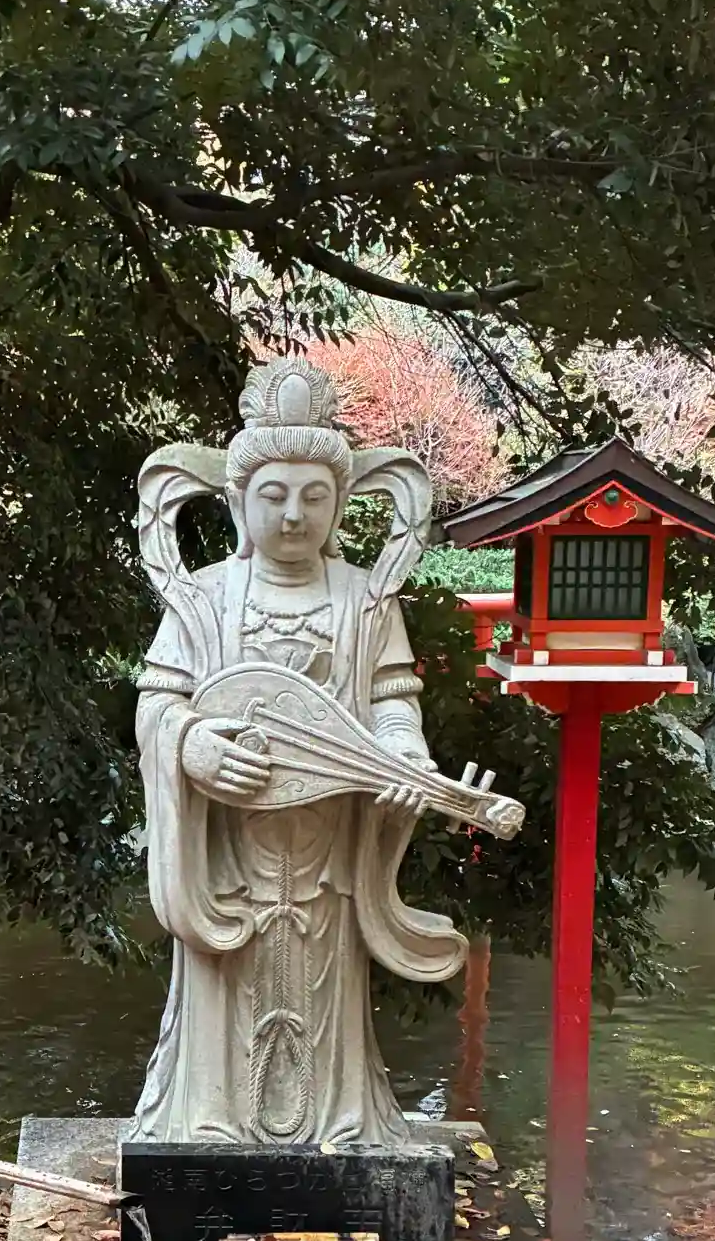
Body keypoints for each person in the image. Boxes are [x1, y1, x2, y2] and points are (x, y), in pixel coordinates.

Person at [125, 355, 467, 1147]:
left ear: (339, 505)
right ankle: (210, 1122)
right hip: (227, 849)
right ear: (238, 502)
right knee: (223, 986)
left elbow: (391, 700)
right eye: (272, 495)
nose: (291, 515)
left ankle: (339, 1121)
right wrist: (191, 744)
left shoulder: (365, 599)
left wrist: (401, 755)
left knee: (325, 992)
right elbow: (157, 704)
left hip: (328, 851)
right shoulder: (205, 596)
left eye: (313, 497)